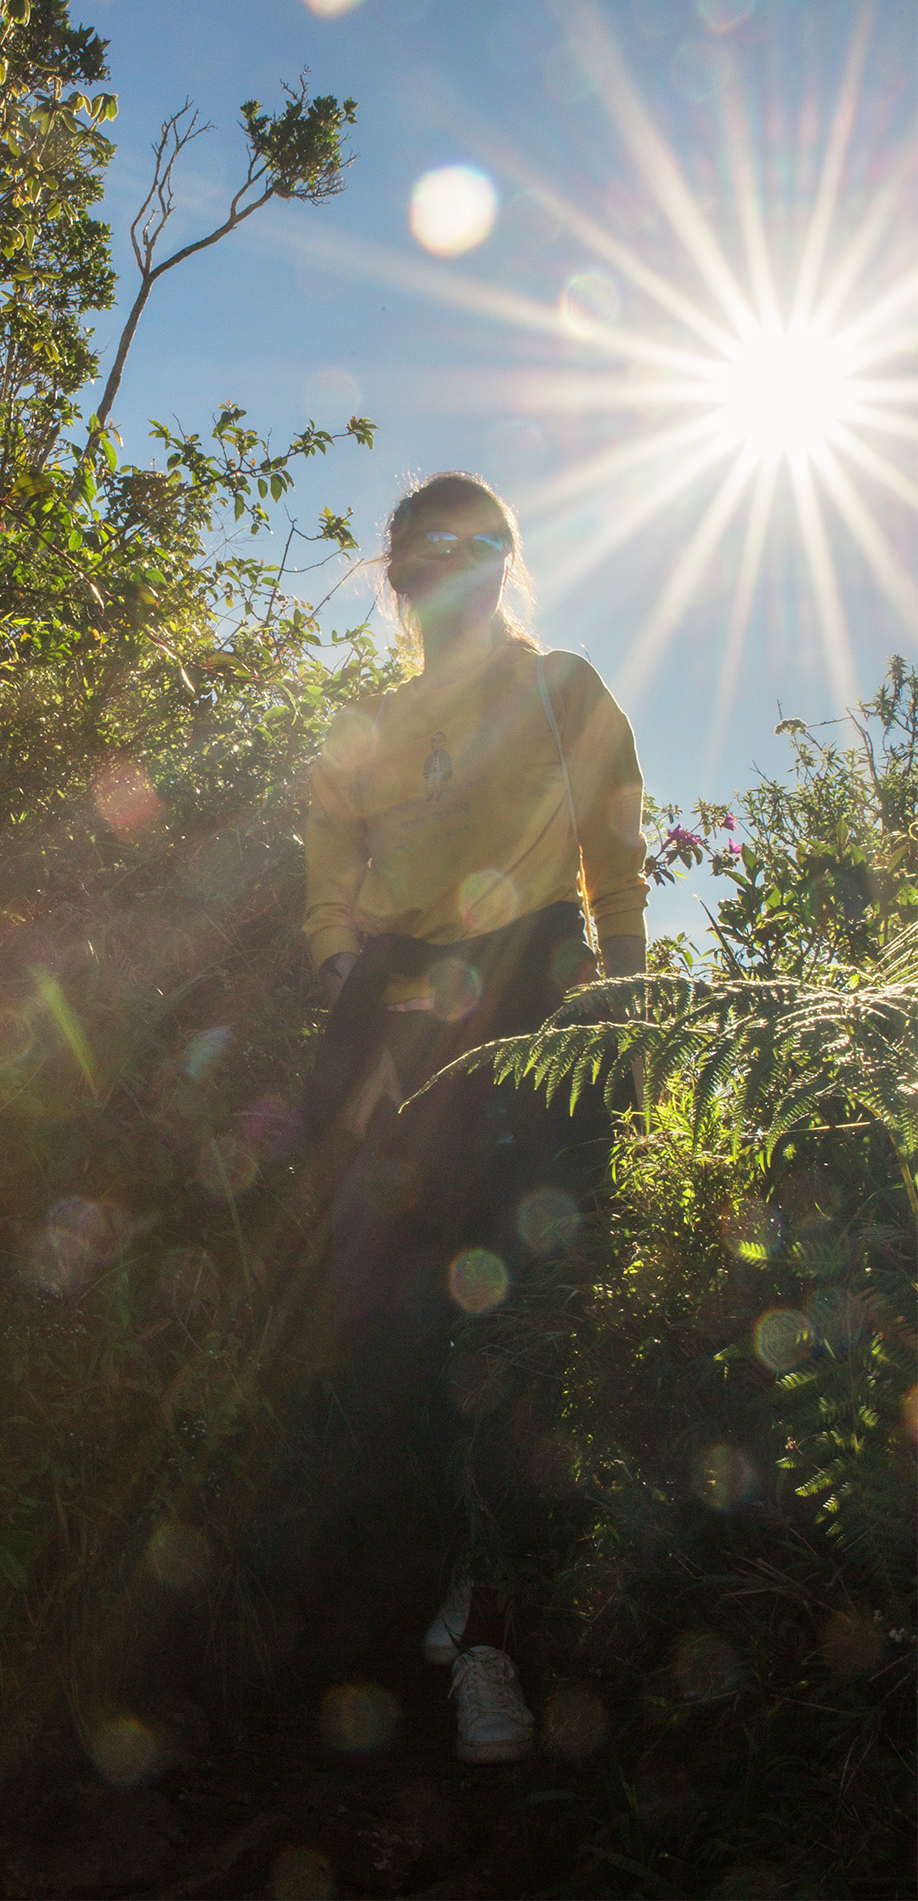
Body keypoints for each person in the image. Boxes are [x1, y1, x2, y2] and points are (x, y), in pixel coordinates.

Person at [300, 470, 648, 1765]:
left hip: (538, 994)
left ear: (504, 562)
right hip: (397, 1014)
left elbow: (611, 868)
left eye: (475, 547)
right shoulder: (364, 727)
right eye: (423, 554)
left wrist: (619, 1011)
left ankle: (491, 1629)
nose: (449, 571)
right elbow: (327, 889)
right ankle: (393, 1611)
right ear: (396, 577)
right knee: (387, 1327)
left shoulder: (564, 690)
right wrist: (360, 1003)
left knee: (522, 1316)